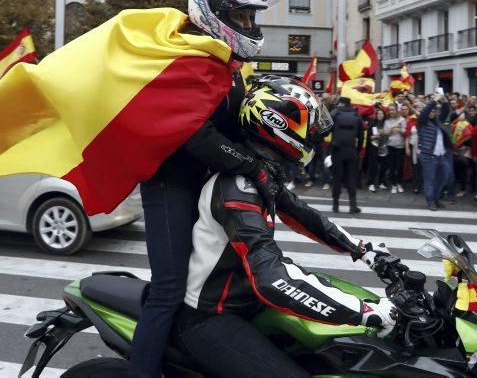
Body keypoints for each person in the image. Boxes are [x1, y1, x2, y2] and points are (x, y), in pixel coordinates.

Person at [170, 77, 396, 377]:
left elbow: (304, 215)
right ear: (278, 123)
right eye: (308, 128)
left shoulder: (261, 174)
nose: (313, 136)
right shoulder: (237, 187)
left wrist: (364, 250)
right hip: (212, 316)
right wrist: (365, 311)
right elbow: (271, 278)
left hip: (247, 304)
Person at [129, 0, 286, 378]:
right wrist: (252, 165)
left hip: (203, 186)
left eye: (251, 18)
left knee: (212, 282)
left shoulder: (225, 64)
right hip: (170, 184)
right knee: (169, 288)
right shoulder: (189, 58)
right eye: (241, 17)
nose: (249, 26)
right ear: (213, 10)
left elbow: (236, 129)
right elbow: (197, 135)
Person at [418, 95, 453, 211]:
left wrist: (444, 101)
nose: (432, 112)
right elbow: (425, 112)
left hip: (441, 156)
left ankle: (436, 198)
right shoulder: (422, 122)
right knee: (430, 180)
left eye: (434, 111)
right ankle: (431, 201)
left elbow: (446, 111)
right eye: (431, 111)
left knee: (444, 177)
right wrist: (434, 100)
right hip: (428, 156)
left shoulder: (438, 121)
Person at [330, 96, 363, 213]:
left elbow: (326, 129)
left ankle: (335, 205)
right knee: (351, 178)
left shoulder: (334, 113)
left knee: (337, 178)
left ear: (342, 104)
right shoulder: (356, 115)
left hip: (337, 150)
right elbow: (361, 136)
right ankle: (352, 206)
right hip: (351, 150)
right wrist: (357, 150)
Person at [383, 106, 406, 193]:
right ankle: (393, 184)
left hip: (400, 146)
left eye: (393, 110)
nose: (391, 111)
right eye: (390, 110)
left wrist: (400, 129)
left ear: (396, 110)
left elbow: (405, 132)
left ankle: (399, 183)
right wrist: (391, 130)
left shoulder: (402, 120)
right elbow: (385, 133)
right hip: (390, 145)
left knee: (400, 166)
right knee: (392, 166)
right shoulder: (387, 121)